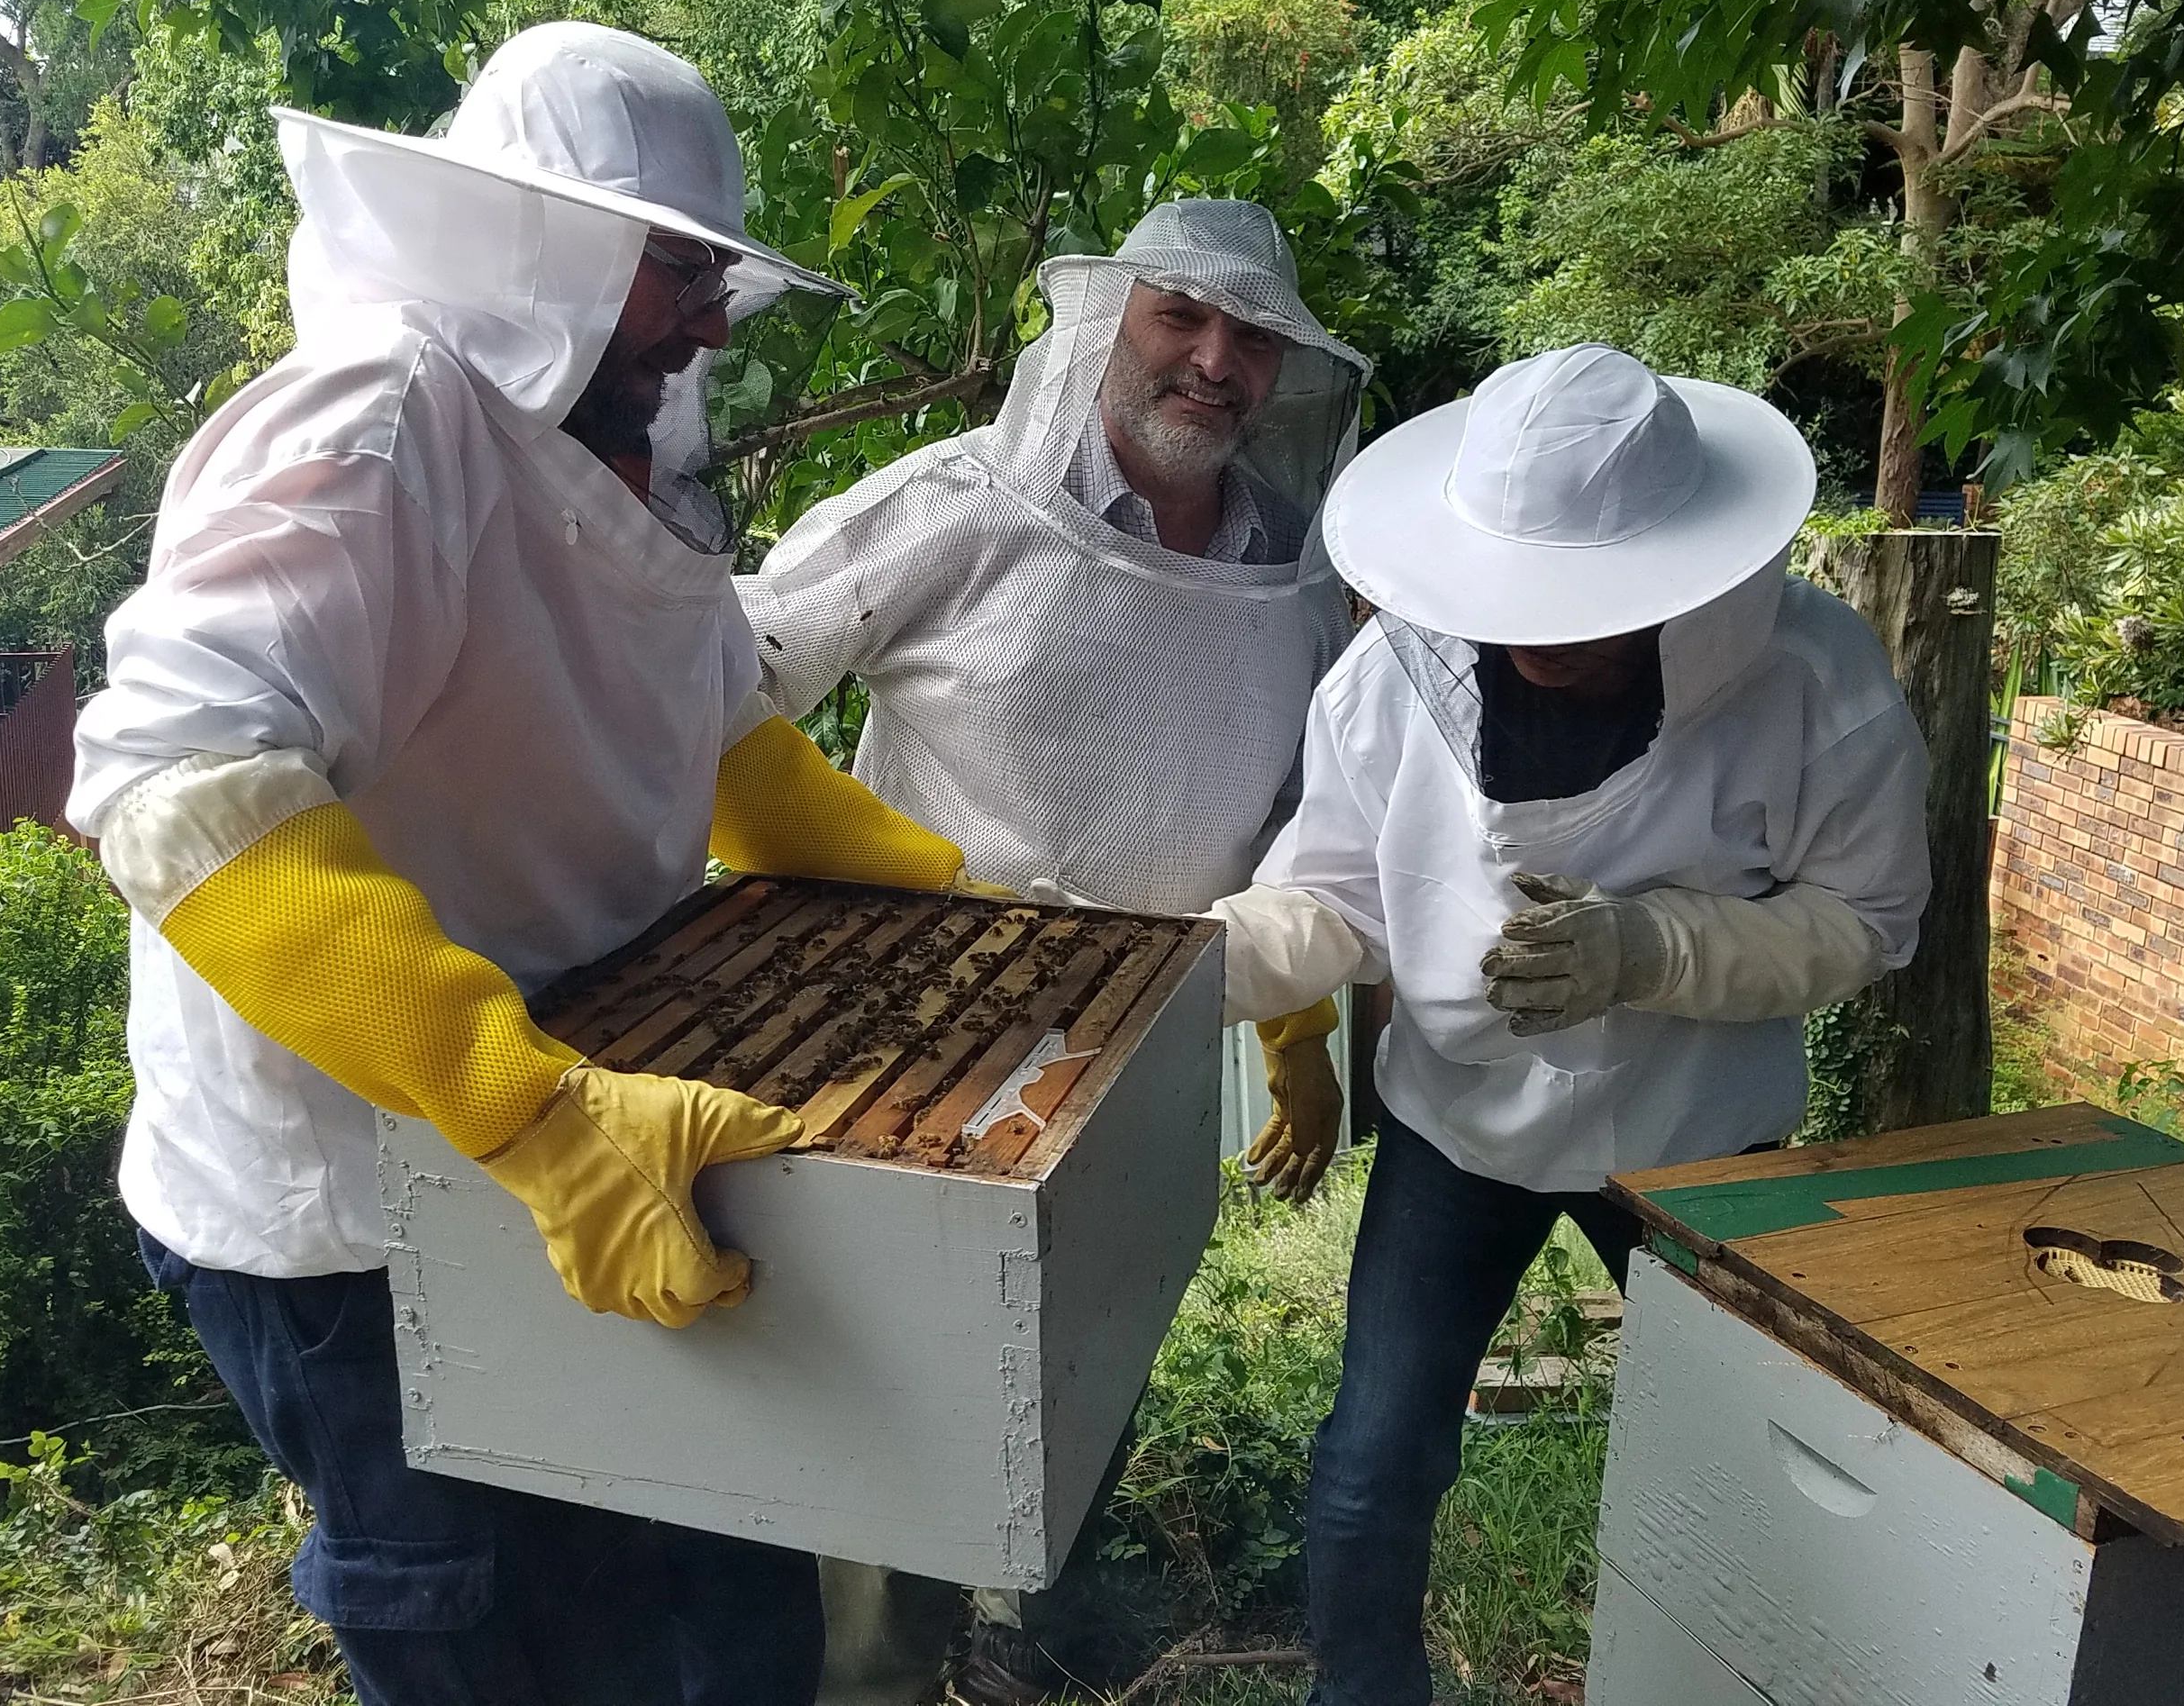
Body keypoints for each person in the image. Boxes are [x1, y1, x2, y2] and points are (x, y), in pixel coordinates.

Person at [68, 22, 976, 1706]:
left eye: (711, 271)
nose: (711, 318)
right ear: (543, 246)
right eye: (679, 268)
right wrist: (534, 1115)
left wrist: (957, 914)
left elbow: (713, 744)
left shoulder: (613, 448)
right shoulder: (376, 426)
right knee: (509, 1649)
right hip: (363, 1216)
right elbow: (179, 779)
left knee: (716, 1593)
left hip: (580, 1135)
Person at [1209, 343, 1932, 1706]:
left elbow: (1870, 918)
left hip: (1700, 1139)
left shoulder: (1811, 675)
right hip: (1456, 1129)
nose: (1541, 631)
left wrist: (1650, 945)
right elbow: (1335, 903)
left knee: (1759, 1460)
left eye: (1586, 599)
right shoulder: (1387, 680)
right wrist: (1194, 969)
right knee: (1372, 1468)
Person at [740, 199, 1372, 1704]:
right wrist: (833, 866)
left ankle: (1022, 1640)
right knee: (890, 1408)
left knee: (1088, 1360)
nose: (1217, 362)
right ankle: (874, 1676)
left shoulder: (1301, 576)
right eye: (1182, 318)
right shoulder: (959, 507)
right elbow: (730, 673)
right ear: (1111, 321)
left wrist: (1298, 1037)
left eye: (1253, 338)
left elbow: (1305, 816)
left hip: (1142, 1055)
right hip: (907, 1050)